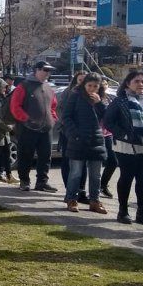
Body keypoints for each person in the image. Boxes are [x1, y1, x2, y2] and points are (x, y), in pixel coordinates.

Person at [103, 71, 143, 226]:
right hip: (128, 146)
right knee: (126, 178)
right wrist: (123, 134)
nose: (141, 84)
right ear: (128, 84)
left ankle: (142, 213)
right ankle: (123, 211)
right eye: (137, 81)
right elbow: (108, 122)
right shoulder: (120, 101)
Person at [62, 73, 108, 214]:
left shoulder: (100, 100)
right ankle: (71, 199)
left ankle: (94, 200)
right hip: (78, 140)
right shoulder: (75, 96)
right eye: (89, 86)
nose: (92, 89)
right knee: (75, 173)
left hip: (96, 140)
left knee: (95, 175)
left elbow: (106, 117)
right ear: (84, 85)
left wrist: (99, 103)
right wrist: (74, 134)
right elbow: (66, 116)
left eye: (95, 86)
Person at [10, 61, 59, 193]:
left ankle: (42, 182)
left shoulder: (49, 88)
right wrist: (26, 119)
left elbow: (53, 107)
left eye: (49, 70)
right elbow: (15, 107)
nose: (48, 73)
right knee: (25, 155)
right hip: (27, 128)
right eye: (45, 69)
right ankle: (24, 181)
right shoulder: (24, 86)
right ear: (36, 70)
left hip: (46, 129)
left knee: (45, 156)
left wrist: (53, 119)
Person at [57, 72, 90, 203]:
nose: (82, 83)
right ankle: (69, 190)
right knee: (68, 162)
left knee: (83, 164)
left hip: (84, 134)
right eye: (80, 80)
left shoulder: (89, 95)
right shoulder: (69, 93)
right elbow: (60, 110)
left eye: (84, 80)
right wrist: (67, 125)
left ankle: (81, 191)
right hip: (68, 133)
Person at [99, 80, 118, 199]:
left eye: (106, 84)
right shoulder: (93, 98)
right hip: (95, 134)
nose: (105, 86)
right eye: (102, 84)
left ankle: (103, 185)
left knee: (113, 161)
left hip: (108, 134)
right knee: (93, 164)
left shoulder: (109, 98)